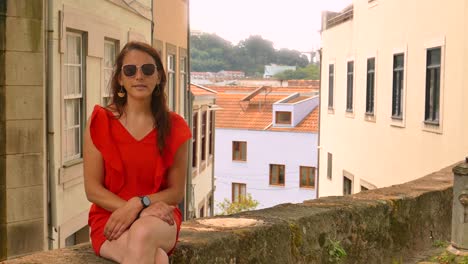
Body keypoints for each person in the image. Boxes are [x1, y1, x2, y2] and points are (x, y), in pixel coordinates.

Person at [83, 41, 191, 264]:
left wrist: (140, 204)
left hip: (160, 218)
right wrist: (134, 209)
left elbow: (176, 192)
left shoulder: (175, 127)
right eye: (130, 70)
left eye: (148, 70)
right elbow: (93, 190)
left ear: (159, 76)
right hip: (111, 217)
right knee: (158, 258)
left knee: (142, 232)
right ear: (120, 79)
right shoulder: (101, 121)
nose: (139, 76)